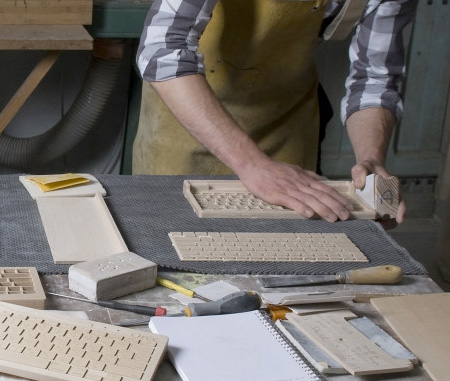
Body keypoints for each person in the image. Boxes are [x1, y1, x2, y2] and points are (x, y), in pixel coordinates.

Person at [133, 0, 417, 224]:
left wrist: (370, 159)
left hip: (286, 131)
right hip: (188, 124)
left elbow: (374, 79)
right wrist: (252, 164)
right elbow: (163, 52)